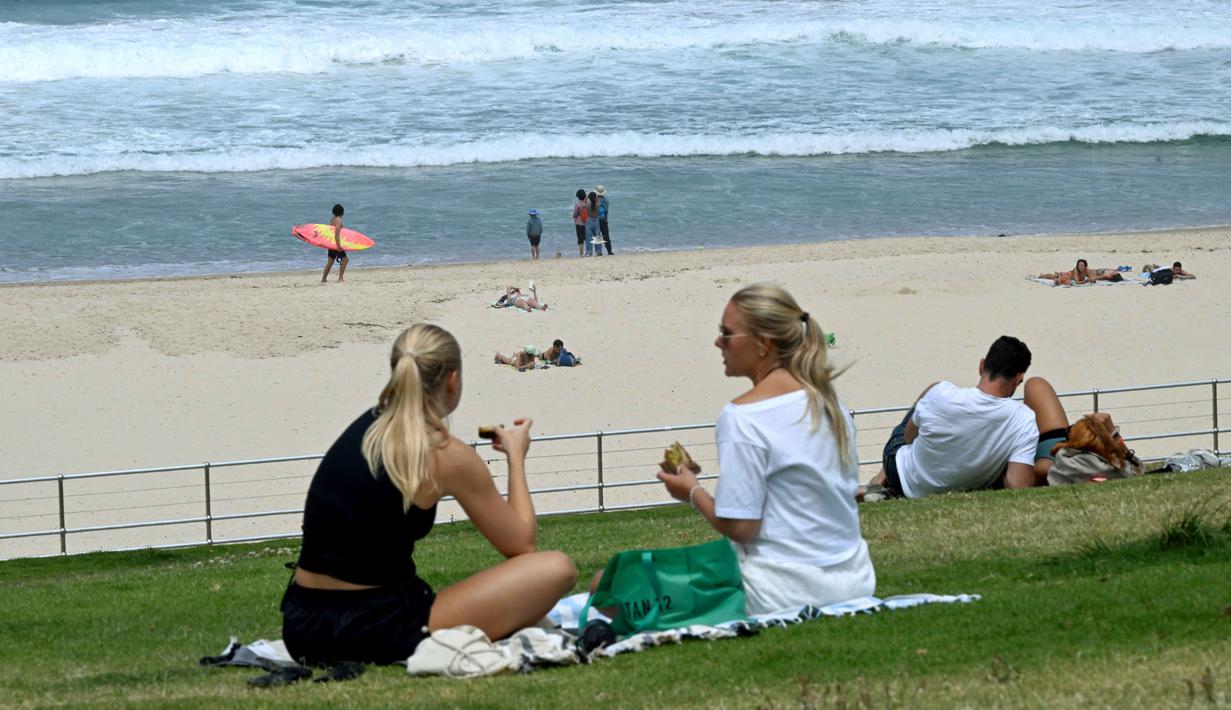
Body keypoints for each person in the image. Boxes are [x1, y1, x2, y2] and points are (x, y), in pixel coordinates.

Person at [281, 324, 577, 665]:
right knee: (557, 568)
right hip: (378, 627)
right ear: (452, 380)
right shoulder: (444, 452)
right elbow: (521, 544)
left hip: (302, 625)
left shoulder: (365, 430)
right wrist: (516, 457)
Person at [651, 283, 875, 613]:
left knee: (609, 586)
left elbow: (741, 527)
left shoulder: (744, 416)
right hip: (853, 580)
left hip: (777, 590)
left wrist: (692, 490)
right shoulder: (829, 402)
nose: (717, 342)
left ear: (763, 343)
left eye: (726, 335)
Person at [860, 336, 1038, 500]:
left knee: (927, 400)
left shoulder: (941, 393)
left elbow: (908, 438)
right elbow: (1017, 485)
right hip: (959, 483)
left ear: (981, 366)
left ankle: (879, 479)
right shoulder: (1023, 419)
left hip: (901, 477)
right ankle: (880, 481)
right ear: (1018, 379)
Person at [1021, 377, 1140, 484]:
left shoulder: (1049, 466)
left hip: (1048, 454)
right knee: (1035, 384)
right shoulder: (1118, 468)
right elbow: (1138, 470)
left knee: (1035, 384)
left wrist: (1115, 436)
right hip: (1052, 455)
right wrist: (1114, 436)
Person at [321, 203, 348, 283]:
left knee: (330, 261)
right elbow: (336, 233)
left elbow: (330, 232)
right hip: (336, 244)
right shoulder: (339, 220)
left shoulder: (332, 219)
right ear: (342, 212)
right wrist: (338, 246)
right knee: (345, 259)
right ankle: (340, 278)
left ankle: (323, 279)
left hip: (331, 244)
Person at [595, 185, 613, 255]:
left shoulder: (595, 200)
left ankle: (599, 252)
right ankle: (609, 251)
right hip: (604, 220)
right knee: (606, 235)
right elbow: (607, 211)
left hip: (596, 220)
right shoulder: (606, 201)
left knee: (598, 235)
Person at [584, 191, 602, 257]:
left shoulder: (587, 206)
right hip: (596, 220)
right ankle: (599, 251)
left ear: (589, 198)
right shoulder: (597, 205)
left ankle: (589, 252)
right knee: (597, 236)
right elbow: (598, 201)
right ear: (595, 198)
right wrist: (596, 197)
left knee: (588, 237)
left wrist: (587, 196)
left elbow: (584, 203)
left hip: (589, 220)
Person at [572, 189, 588, 257]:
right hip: (587, 222)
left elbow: (574, 215)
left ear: (578, 196)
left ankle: (581, 253)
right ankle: (589, 251)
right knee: (587, 237)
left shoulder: (578, 204)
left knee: (580, 238)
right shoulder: (587, 203)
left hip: (579, 223)